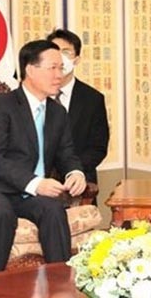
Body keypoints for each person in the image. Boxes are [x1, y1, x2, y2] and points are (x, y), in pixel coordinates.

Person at [0, 40, 87, 274]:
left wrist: (75, 172)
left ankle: (60, 285)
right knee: (1, 212)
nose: (60, 75)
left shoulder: (57, 112)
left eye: (62, 68)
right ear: (30, 69)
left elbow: (67, 153)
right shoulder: (1, 106)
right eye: (53, 68)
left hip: (28, 196)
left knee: (53, 210)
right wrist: (36, 183)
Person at [46, 29, 109, 187]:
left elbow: (98, 147)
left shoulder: (92, 99)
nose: (60, 58)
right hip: (38, 181)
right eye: (54, 51)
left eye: (66, 52)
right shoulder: (35, 94)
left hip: (79, 181)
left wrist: (72, 171)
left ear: (77, 59)